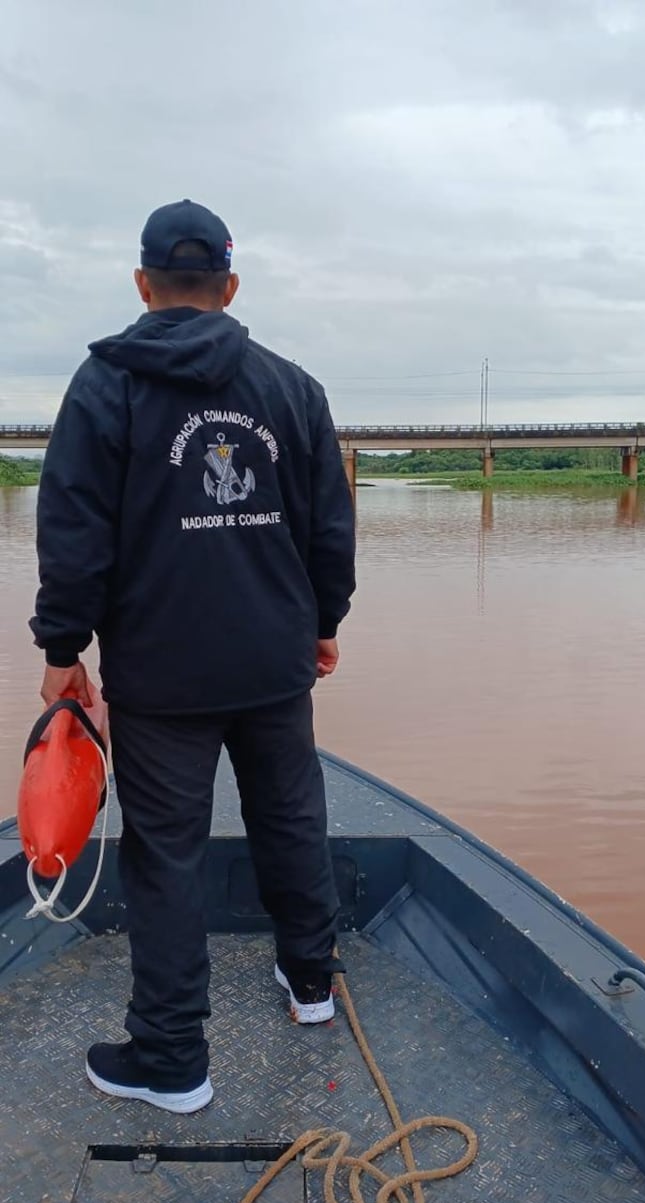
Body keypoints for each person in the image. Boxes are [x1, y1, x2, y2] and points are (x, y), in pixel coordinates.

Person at [30, 199, 356, 1115]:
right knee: (291, 815)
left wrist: (63, 649)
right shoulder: (292, 388)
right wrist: (323, 620)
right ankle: (311, 985)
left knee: (165, 855)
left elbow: (74, 535)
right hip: (272, 661)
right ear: (230, 285)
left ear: (143, 285)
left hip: (162, 677)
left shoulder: (105, 386)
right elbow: (331, 531)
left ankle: (173, 1057)